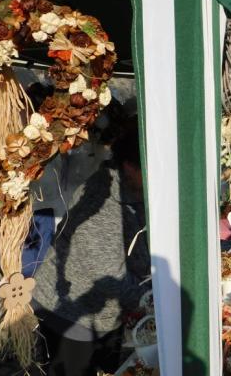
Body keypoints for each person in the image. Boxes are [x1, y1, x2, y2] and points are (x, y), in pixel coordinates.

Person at [33, 120, 149, 376]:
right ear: (130, 166)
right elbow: (108, 274)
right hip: (70, 312)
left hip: (106, 311)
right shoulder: (101, 201)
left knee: (111, 368)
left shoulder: (135, 187)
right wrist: (151, 299)